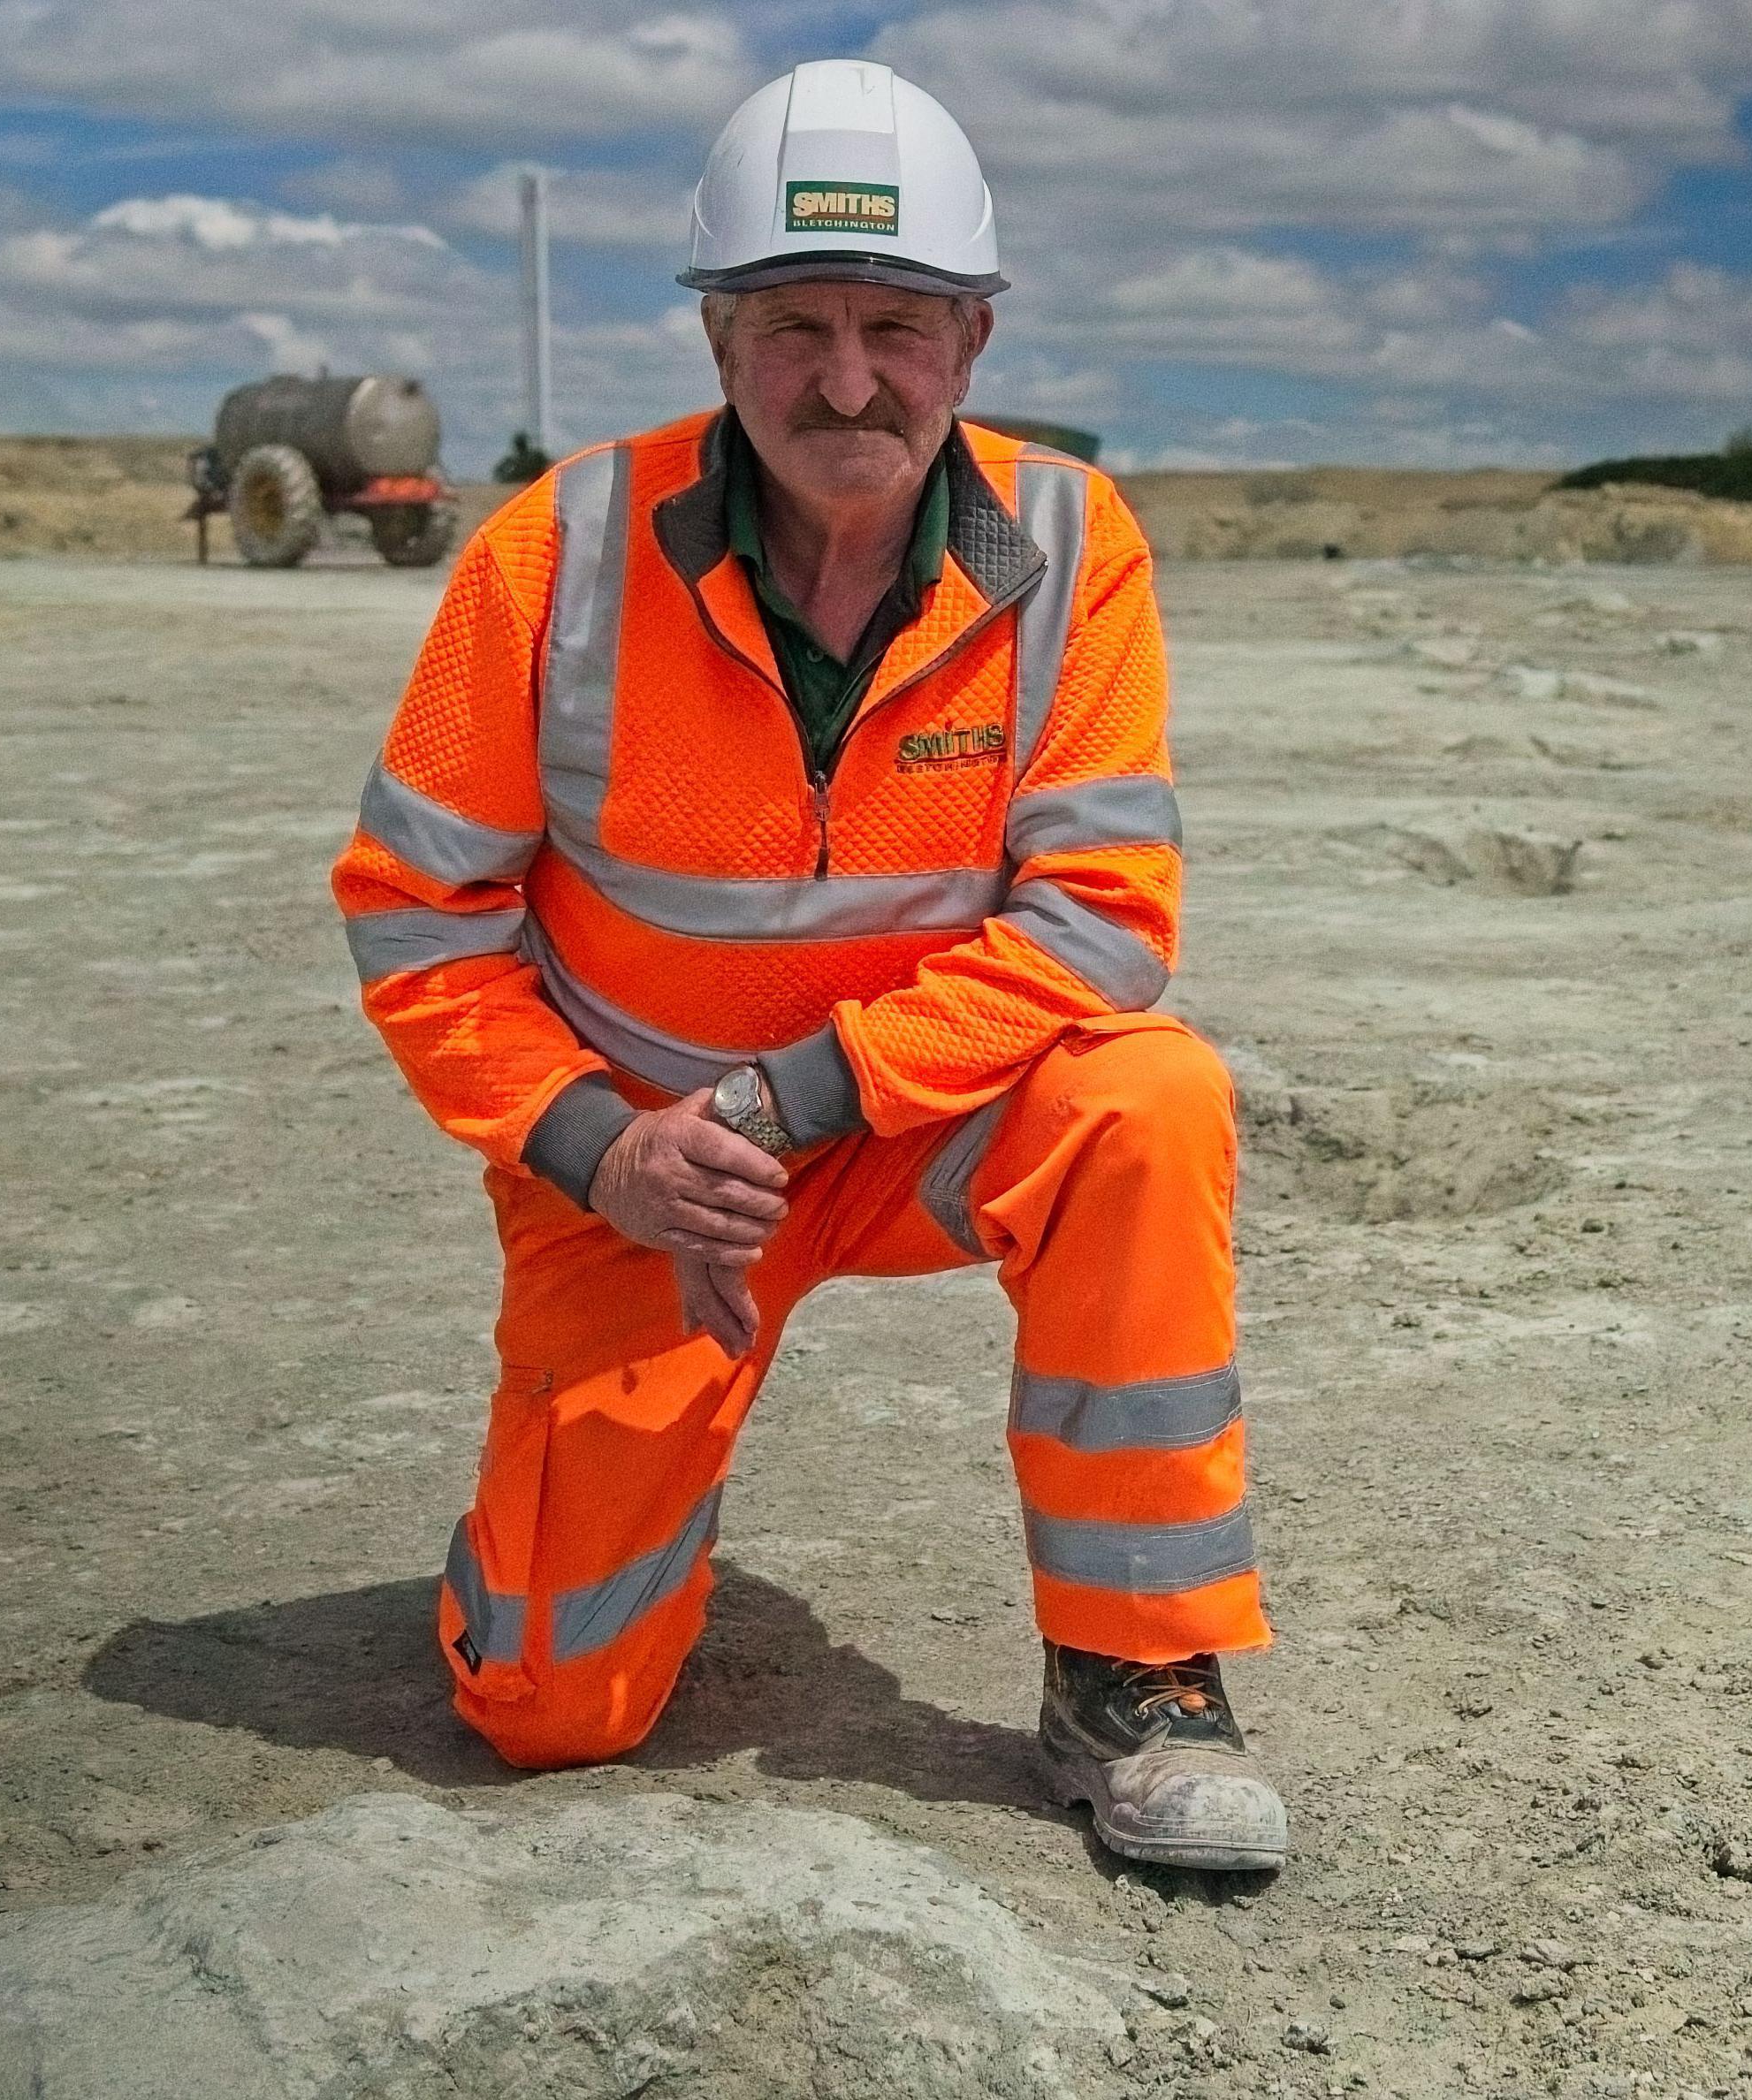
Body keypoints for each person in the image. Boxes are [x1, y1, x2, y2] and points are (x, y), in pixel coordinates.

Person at [328, 59, 1286, 1872]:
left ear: (974, 340)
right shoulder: (553, 558)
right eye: (795, 326)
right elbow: (415, 909)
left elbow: (1099, 924)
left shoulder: (1071, 548)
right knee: (548, 1713)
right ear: (716, 341)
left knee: (1147, 1099)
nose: (849, 378)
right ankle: (560, 1529)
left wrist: (775, 1107)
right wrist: (604, 1145)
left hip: (900, 1133)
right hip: (640, 1179)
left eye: (897, 325)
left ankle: (1143, 1675)